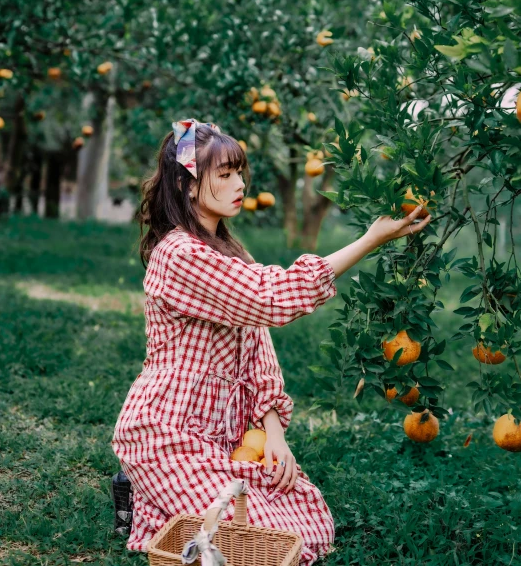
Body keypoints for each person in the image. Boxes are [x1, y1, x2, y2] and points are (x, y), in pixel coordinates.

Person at [111, 118, 430, 564]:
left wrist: (273, 434)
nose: (240, 183)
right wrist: (370, 239)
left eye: (240, 172)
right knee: (255, 539)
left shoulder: (233, 254)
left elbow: (259, 354)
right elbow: (271, 298)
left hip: (226, 434)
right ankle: (147, 487)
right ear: (187, 186)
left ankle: (151, 502)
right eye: (224, 174)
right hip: (168, 431)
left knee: (311, 524)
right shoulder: (179, 254)